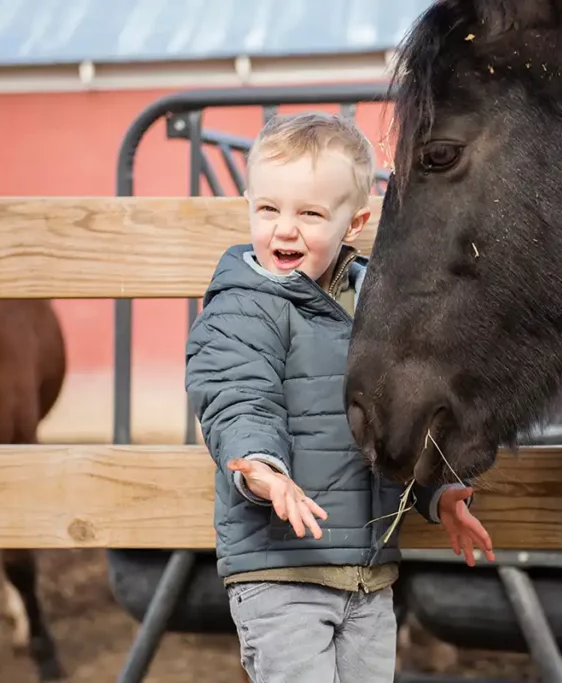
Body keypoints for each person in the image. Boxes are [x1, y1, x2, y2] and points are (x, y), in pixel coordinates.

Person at [184, 111, 495, 683]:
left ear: (354, 222)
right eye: (269, 209)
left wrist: (438, 492)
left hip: (368, 575)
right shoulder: (243, 308)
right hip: (280, 572)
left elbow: (404, 419)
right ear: (249, 204)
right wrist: (261, 467)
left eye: (309, 214)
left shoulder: (378, 310)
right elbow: (236, 396)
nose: (284, 229)